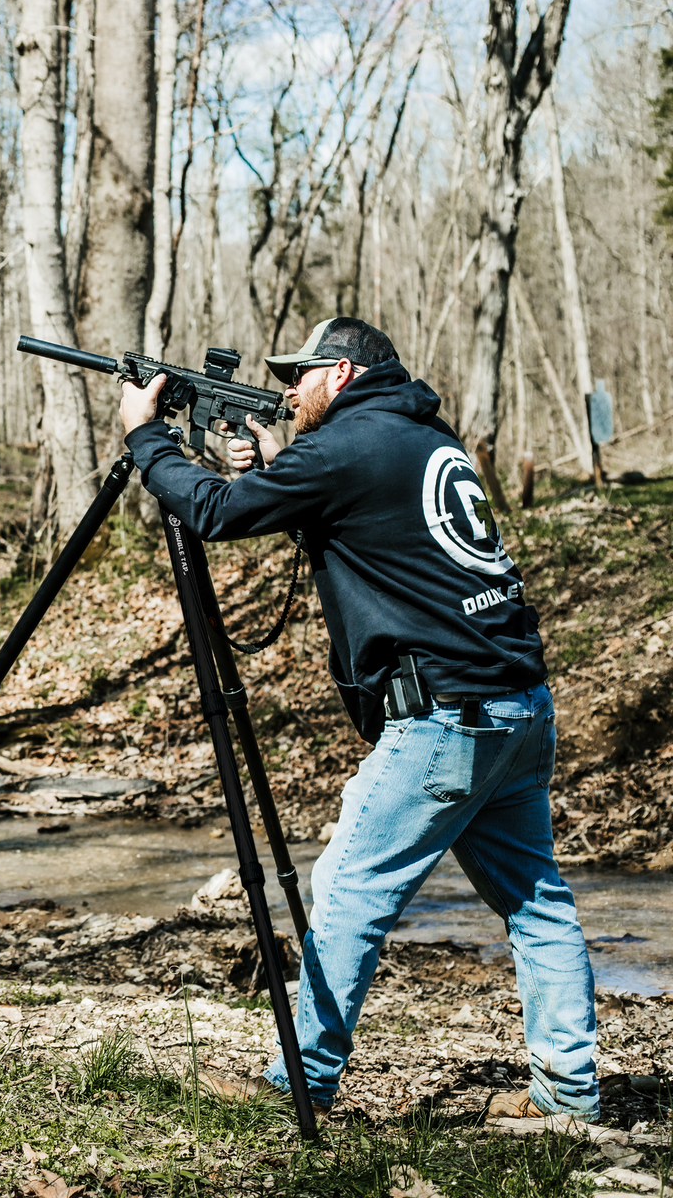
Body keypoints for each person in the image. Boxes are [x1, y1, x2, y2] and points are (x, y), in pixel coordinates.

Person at [118, 316, 597, 1122]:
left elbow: (214, 513)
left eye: (299, 375)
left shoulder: (345, 445)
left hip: (446, 717)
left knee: (346, 889)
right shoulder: (424, 437)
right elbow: (371, 528)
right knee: (536, 902)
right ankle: (570, 1097)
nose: (288, 391)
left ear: (340, 373)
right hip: (517, 707)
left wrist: (145, 438)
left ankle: (300, 1085)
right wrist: (284, 471)